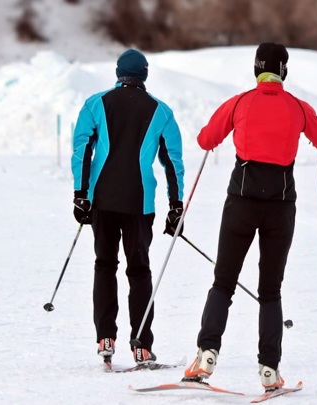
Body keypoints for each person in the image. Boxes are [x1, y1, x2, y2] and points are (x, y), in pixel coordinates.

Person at [183, 43, 317, 390]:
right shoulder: (298, 107)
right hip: (281, 208)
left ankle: (206, 354)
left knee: (223, 281)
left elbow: (206, 139)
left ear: (256, 69)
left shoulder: (240, 102)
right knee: (270, 290)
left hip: (241, 203)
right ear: (283, 70)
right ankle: (269, 369)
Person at [71, 48, 185, 366]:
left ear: (118, 73)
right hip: (140, 203)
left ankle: (105, 338)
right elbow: (173, 162)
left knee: (104, 266)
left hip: (103, 201)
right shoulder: (161, 111)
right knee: (139, 271)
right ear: (144, 74)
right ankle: (141, 346)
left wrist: (81, 194)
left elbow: (82, 149)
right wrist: (176, 206)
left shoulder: (95, 104)